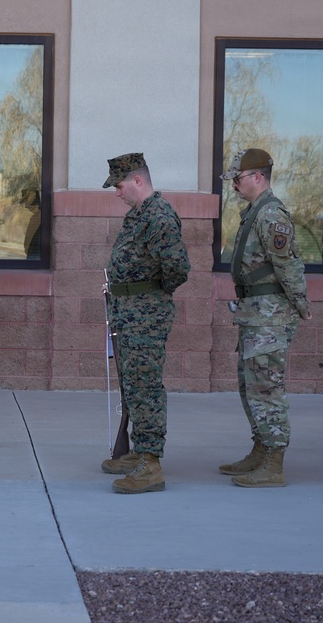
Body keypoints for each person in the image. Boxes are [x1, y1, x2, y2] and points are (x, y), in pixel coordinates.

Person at [218, 149, 310, 488]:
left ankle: (274, 463)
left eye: (238, 179)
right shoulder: (256, 212)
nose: (234, 186)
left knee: (266, 389)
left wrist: (300, 304)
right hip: (254, 314)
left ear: (257, 177)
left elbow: (288, 265)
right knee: (251, 387)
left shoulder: (271, 214)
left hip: (269, 318)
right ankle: (261, 449)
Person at [99, 152, 190, 495]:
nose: (117, 192)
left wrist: (149, 294)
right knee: (133, 386)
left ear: (138, 180)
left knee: (145, 387)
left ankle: (150, 465)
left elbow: (177, 269)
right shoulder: (139, 214)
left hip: (145, 315)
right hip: (129, 313)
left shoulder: (159, 215)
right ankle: (139, 451)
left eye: (119, 185)